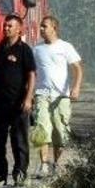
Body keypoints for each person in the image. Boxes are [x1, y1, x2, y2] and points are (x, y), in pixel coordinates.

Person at [0, 14, 36, 186]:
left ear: (19, 29)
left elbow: (31, 75)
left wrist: (28, 98)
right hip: (0, 103)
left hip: (18, 103)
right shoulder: (0, 48)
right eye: (5, 26)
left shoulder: (24, 49)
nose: (6, 28)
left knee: (19, 141)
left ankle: (19, 175)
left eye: (10, 26)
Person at [32, 15, 83, 178]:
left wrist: (75, 87)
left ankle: (56, 163)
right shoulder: (36, 49)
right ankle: (44, 165)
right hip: (42, 95)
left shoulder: (65, 47)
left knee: (60, 134)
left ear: (54, 28)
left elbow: (78, 68)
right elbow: (31, 73)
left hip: (61, 97)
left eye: (44, 26)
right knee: (42, 129)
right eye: (40, 26)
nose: (41, 29)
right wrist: (30, 93)